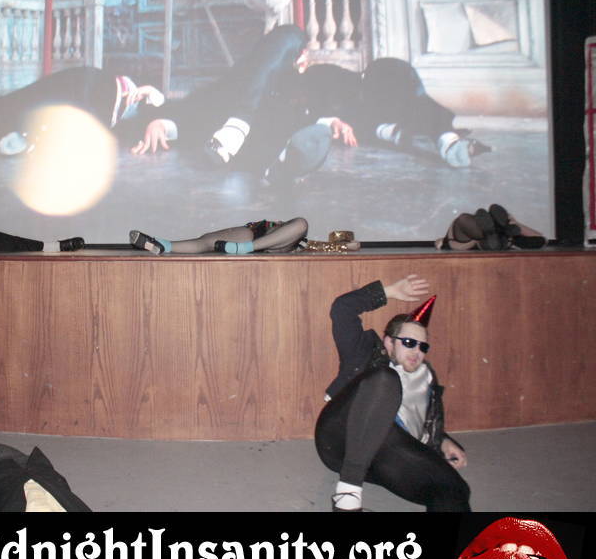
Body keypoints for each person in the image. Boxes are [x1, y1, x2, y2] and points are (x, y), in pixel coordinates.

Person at [314, 275, 470, 512]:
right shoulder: (364, 353)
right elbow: (342, 308)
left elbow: (417, 419)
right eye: (408, 342)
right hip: (340, 440)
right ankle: (347, 498)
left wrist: (443, 441)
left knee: (454, 487)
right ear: (388, 342)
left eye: (422, 346)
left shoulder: (426, 380)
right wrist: (389, 292)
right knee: (385, 379)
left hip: (384, 452)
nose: (416, 351)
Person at [118, 24, 309, 176]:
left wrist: (161, 107)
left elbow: (201, 107)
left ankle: (240, 122)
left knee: (289, 37)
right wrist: (165, 124)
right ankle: (240, 122)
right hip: (238, 117)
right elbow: (201, 120)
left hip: (239, 108)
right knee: (289, 37)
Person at [266, 57, 492, 183]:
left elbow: (339, 95)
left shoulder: (315, 75)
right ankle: (440, 137)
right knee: (412, 106)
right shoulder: (291, 109)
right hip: (371, 119)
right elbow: (303, 121)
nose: (294, 101)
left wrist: (332, 119)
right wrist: (332, 121)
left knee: (411, 94)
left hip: (370, 90)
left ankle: (441, 136)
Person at [0, 66, 164, 156]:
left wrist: (153, 97)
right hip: (40, 105)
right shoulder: (101, 85)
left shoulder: (129, 115)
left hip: (53, 115)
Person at [129, 217, 308, 255]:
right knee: (207, 241)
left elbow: (298, 227)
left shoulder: (293, 231)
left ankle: (244, 248)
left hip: (277, 245)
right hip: (254, 234)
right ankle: (163, 245)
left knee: (301, 224)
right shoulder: (260, 228)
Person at [436, 203, 547, 251]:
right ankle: (497, 230)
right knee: (463, 220)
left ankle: (494, 231)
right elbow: (541, 239)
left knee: (463, 220)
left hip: (480, 240)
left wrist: (515, 223)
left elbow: (541, 240)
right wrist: (516, 224)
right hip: (496, 239)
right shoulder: (514, 238)